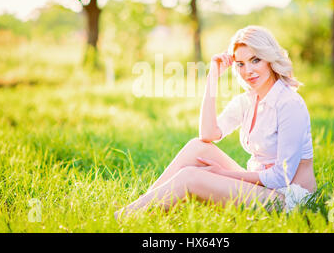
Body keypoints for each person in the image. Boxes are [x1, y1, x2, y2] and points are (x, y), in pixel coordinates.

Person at [115, 25, 317, 219]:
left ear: (270, 59)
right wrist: (213, 77)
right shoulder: (248, 100)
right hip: (262, 188)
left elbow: (282, 177)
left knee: (190, 177)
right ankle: (143, 204)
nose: (248, 71)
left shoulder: (289, 104)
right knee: (197, 147)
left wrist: (224, 174)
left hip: (289, 201)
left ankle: (126, 216)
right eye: (241, 64)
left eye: (255, 60)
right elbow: (208, 135)